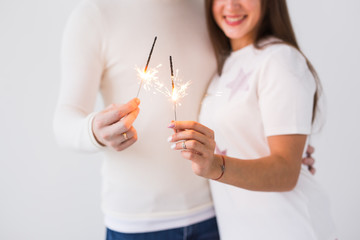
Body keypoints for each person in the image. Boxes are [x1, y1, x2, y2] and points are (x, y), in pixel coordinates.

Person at [53, 0, 316, 239]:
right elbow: (64, 121)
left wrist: (283, 153)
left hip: (218, 218)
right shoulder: (94, 16)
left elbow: (241, 99)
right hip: (138, 225)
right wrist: (93, 132)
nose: (232, 3)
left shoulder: (211, 12)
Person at [167, 0, 336, 239]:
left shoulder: (280, 59)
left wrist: (214, 165)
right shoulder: (222, 69)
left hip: (292, 229)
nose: (231, 5)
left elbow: (286, 173)